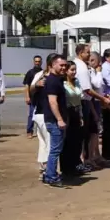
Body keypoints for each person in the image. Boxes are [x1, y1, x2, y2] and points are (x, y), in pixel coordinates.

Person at [42, 54, 69, 187]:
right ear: (52, 65)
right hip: (54, 121)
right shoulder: (52, 81)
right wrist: (59, 119)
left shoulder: (57, 79)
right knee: (55, 150)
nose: (64, 67)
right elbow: (52, 102)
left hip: (56, 120)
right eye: (61, 65)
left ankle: (49, 173)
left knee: (56, 149)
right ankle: (51, 176)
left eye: (65, 65)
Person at [61, 62, 89, 178]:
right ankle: (66, 169)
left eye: (75, 70)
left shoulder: (76, 81)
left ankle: (74, 166)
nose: (74, 72)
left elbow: (80, 100)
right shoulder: (62, 83)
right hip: (68, 112)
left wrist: (81, 116)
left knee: (77, 141)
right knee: (67, 142)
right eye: (72, 70)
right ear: (66, 71)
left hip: (77, 112)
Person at [22, 55, 43, 138]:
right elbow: (27, 86)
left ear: (41, 62)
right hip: (33, 98)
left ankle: (40, 132)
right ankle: (29, 131)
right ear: (34, 62)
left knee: (41, 115)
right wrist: (27, 97)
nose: (37, 63)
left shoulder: (43, 72)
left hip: (41, 98)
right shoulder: (30, 72)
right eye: (36, 61)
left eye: (39, 61)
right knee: (31, 115)